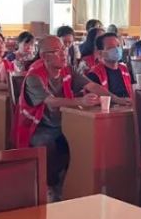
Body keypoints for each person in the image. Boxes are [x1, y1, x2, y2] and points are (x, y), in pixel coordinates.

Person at [14, 35, 96, 200]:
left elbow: (91, 85)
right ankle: (50, 186)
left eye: (64, 49)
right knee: (48, 144)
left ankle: (77, 185)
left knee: (85, 140)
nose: (64, 54)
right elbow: (51, 102)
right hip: (38, 126)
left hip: (64, 123)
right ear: (44, 56)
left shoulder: (67, 69)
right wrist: (80, 101)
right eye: (57, 51)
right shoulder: (34, 76)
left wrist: (117, 99)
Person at [85, 32, 132, 105]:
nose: (116, 50)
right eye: (110, 48)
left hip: (128, 108)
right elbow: (93, 101)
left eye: (118, 46)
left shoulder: (125, 69)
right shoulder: (94, 74)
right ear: (100, 53)